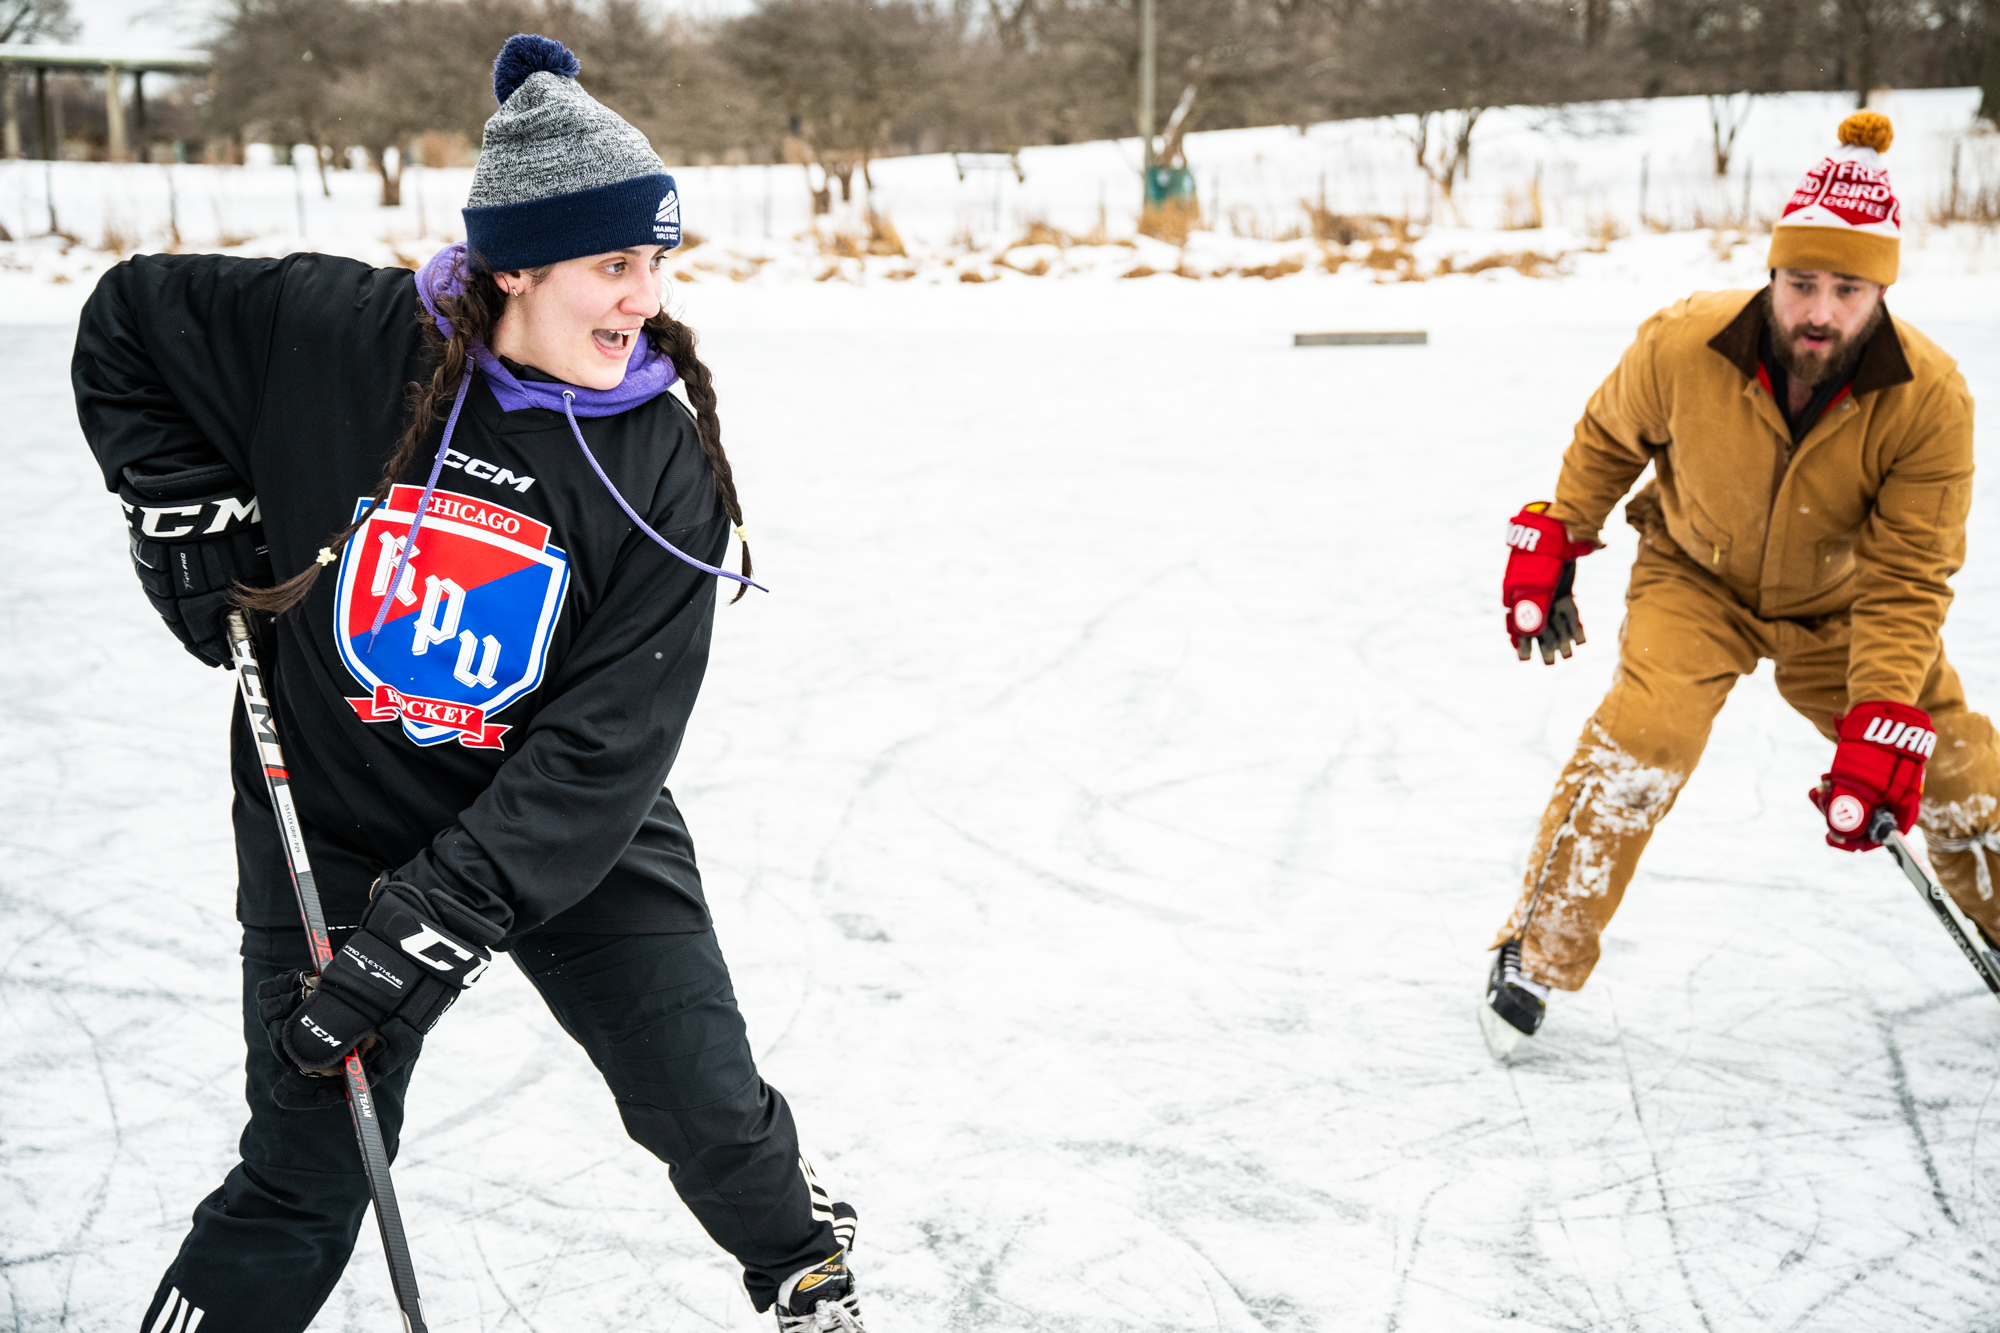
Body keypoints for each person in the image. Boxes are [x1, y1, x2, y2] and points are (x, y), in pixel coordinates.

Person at [73, 35, 867, 1332]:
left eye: (657, 261)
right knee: (304, 1170)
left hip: (566, 828)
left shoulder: (660, 463)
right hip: (328, 816)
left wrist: (426, 929)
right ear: (515, 265)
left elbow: (603, 748)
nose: (645, 299)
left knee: (700, 1101)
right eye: (614, 264)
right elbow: (128, 323)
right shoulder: (336, 335)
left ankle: (799, 1251)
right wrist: (177, 511)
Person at [1479, 111, 1991, 1059]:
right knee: (1646, 737)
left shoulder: (1930, 399)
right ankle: (1535, 950)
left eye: (1847, 289)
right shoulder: (1685, 343)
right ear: (1773, 274)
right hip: (1695, 578)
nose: (1819, 312)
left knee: (1957, 768)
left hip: (1842, 607)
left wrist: (1881, 712)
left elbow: (1908, 576)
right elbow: (1610, 437)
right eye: (1801, 283)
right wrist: (1561, 532)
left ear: (1882, 292)